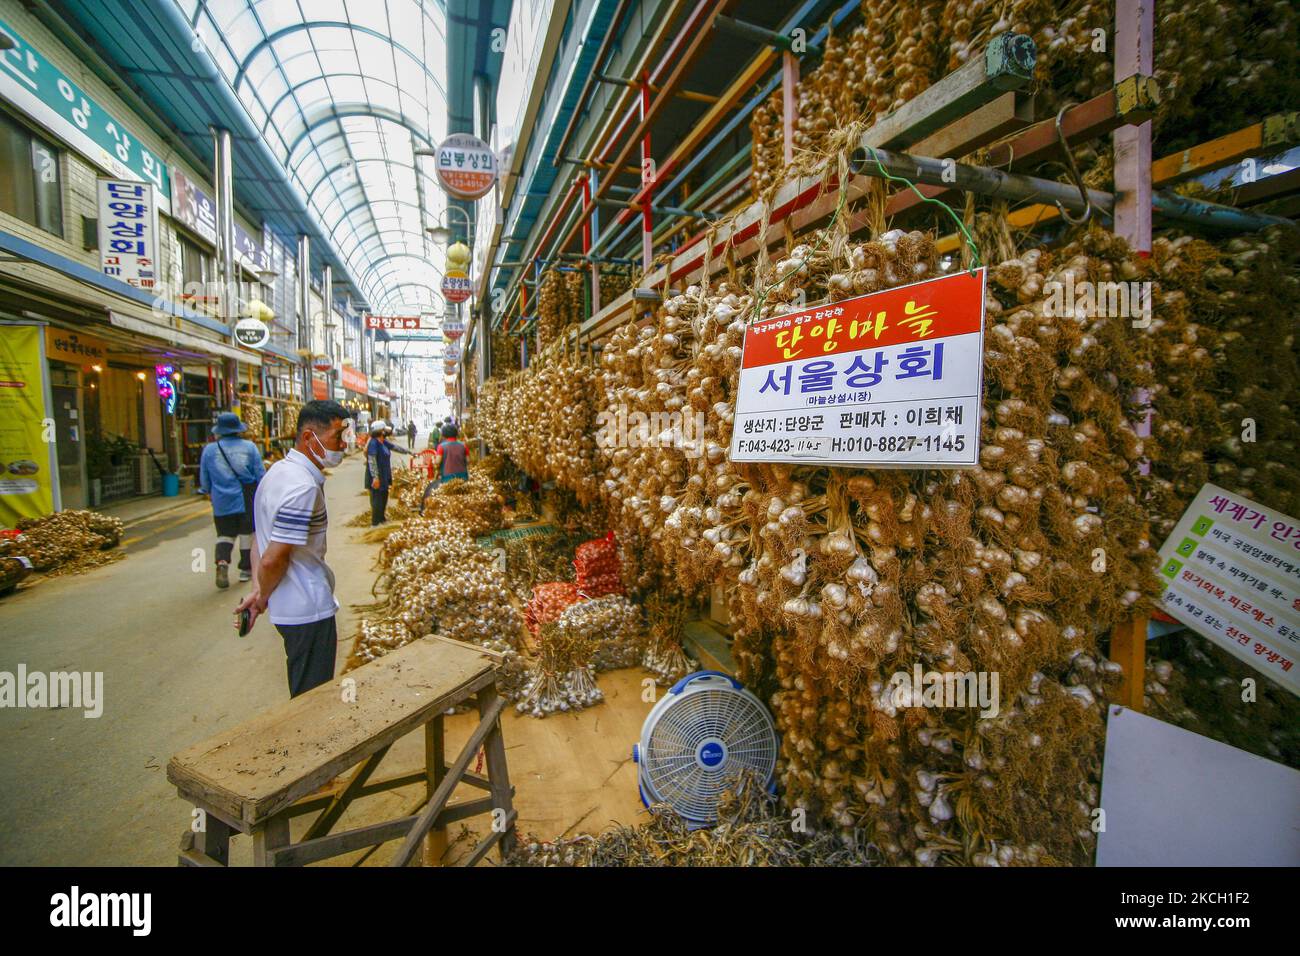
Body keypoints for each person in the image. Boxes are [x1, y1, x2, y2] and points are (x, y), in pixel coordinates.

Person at [236, 399, 352, 698]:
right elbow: (274, 557)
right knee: (310, 703)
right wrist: (262, 593)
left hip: (289, 610)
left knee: (304, 692)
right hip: (307, 610)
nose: (343, 445)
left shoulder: (276, 473)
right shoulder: (302, 487)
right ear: (308, 437)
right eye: (336, 437)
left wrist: (261, 594)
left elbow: (259, 539)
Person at [198, 411, 265, 589]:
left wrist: (205, 490)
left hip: (221, 501)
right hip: (245, 498)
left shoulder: (209, 450)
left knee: (224, 534)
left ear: (219, 430)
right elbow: (260, 474)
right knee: (246, 534)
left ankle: (222, 562)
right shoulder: (250, 447)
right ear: (238, 429)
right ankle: (245, 570)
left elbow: (204, 478)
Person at [365, 420, 412, 526]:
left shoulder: (383, 441)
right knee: (377, 500)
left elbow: (395, 447)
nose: (387, 431)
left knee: (384, 497)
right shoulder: (373, 443)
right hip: (376, 475)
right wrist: (375, 477)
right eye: (384, 429)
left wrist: (409, 452)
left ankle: (382, 519)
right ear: (381, 431)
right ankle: (375, 523)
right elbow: (372, 461)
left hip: (384, 474)